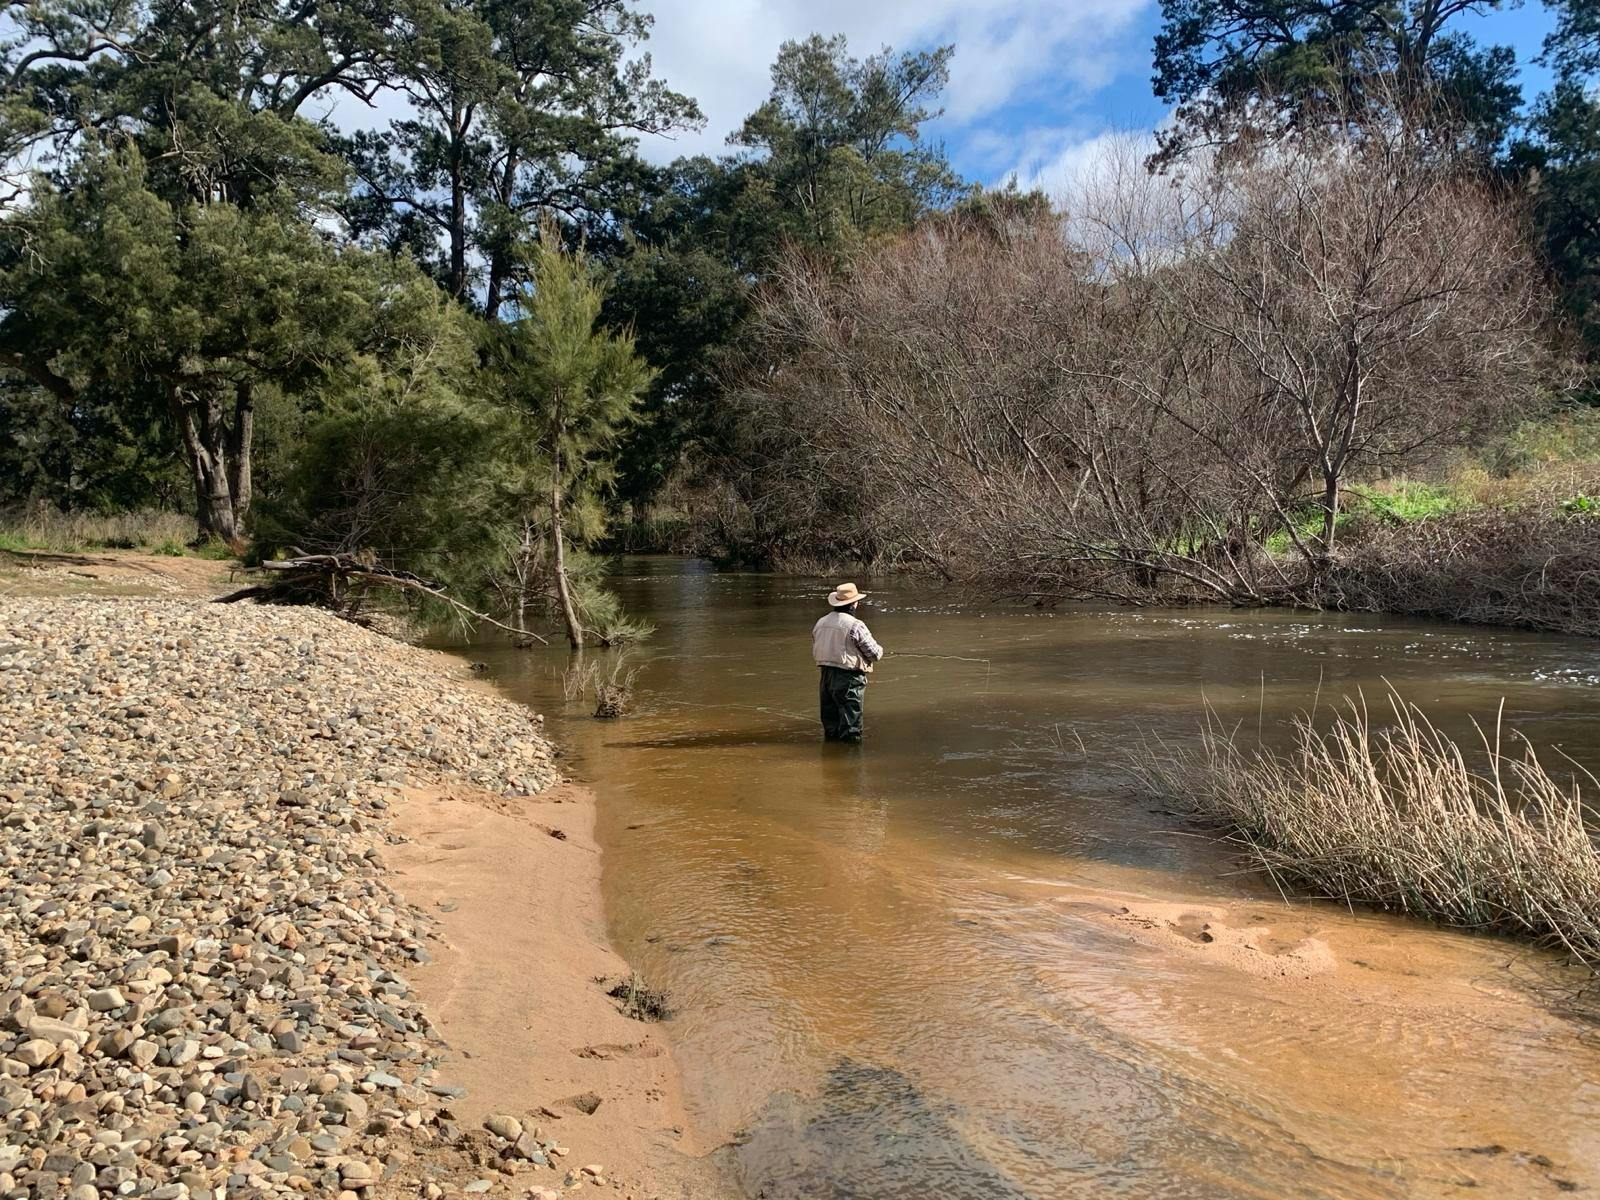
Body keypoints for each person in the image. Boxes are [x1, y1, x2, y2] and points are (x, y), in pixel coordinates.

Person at [812, 582, 885, 742]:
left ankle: (830, 759)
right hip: (848, 679)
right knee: (851, 729)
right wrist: (881, 650)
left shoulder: (821, 622)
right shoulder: (856, 625)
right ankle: (850, 763)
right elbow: (874, 654)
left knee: (831, 727)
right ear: (853, 604)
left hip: (825, 677)